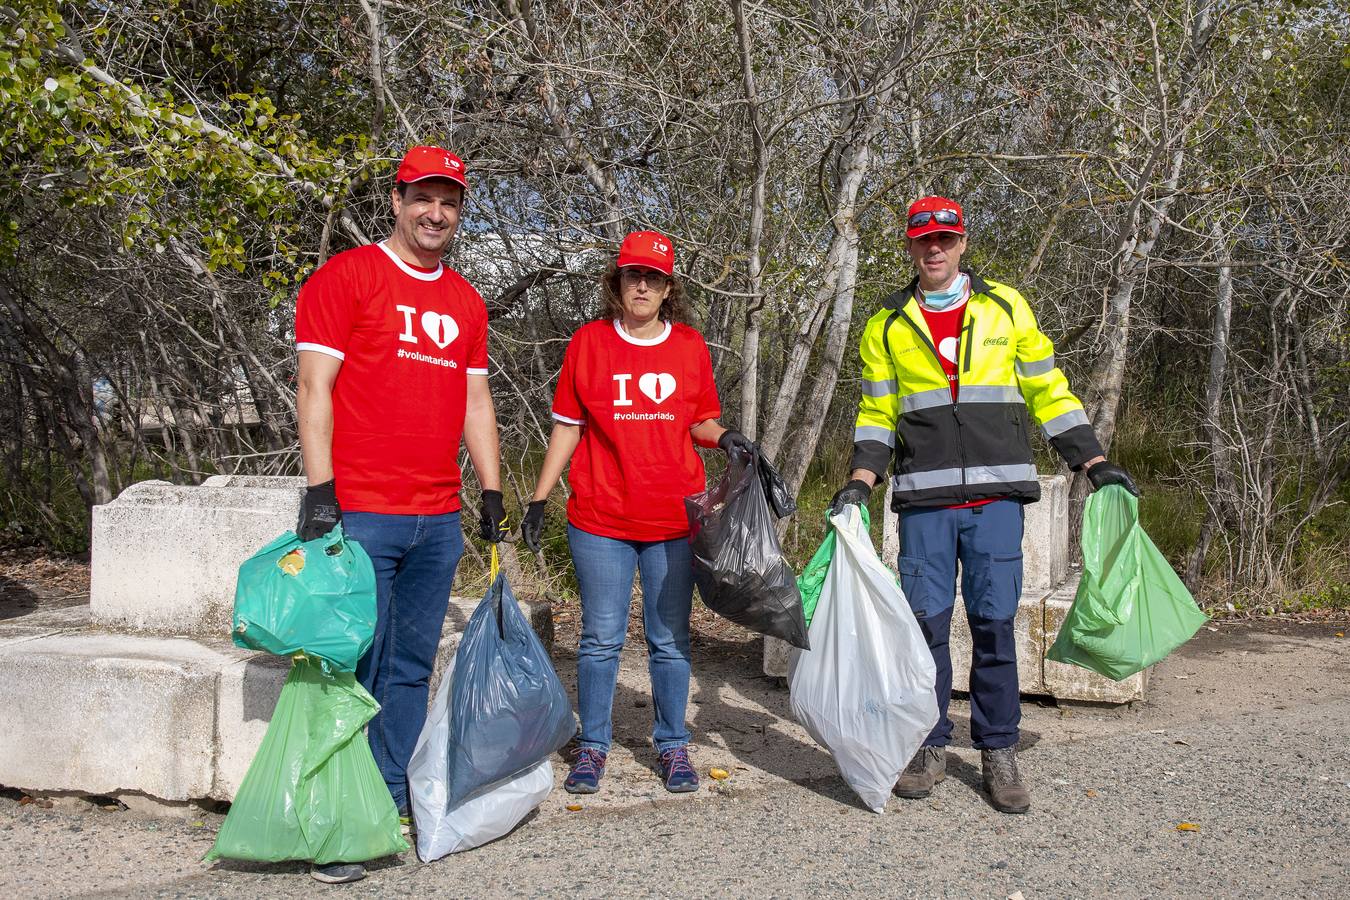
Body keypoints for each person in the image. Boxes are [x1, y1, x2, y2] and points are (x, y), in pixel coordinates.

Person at [829, 195, 1137, 815]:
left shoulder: (1006, 306)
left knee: (996, 622)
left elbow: (1048, 389)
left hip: (997, 497)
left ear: (963, 242)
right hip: (923, 501)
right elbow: (875, 413)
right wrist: (861, 481)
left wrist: (1092, 460)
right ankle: (927, 743)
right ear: (910, 248)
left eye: (944, 238)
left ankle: (998, 747)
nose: (934, 249)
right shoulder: (885, 323)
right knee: (925, 625)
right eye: (922, 241)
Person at [294, 145, 506, 882]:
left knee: (410, 668)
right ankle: (332, 816)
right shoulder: (348, 278)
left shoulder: (466, 301)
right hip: (362, 513)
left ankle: (383, 807)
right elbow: (315, 388)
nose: (435, 213)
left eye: (448, 201)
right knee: (349, 666)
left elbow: (476, 402)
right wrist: (320, 493)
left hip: (435, 520)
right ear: (396, 199)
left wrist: (490, 489)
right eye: (423, 197)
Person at [519, 230, 753, 796]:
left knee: (669, 638)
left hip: (673, 520)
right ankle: (593, 746)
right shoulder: (588, 343)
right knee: (600, 637)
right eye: (632, 275)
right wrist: (538, 497)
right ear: (617, 282)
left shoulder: (689, 346)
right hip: (601, 518)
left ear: (668, 287)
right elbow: (568, 427)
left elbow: (697, 421)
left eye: (653, 277)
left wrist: (728, 440)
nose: (642, 285)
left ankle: (672, 744)